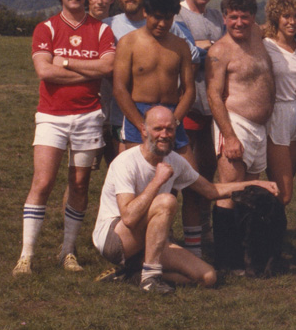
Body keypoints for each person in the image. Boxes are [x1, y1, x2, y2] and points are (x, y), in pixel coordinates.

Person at [92, 106, 279, 293]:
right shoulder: (126, 162)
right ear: (144, 130)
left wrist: (254, 184)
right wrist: (157, 181)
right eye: (158, 129)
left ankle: (131, 273)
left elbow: (211, 190)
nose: (164, 134)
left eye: (169, 129)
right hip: (115, 240)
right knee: (166, 201)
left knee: (208, 277)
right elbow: (129, 218)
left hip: (148, 239)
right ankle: (150, 278)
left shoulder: (175, 160)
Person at [14, 0, 116, 275]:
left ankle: (67, 251)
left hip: (89, 117)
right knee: (43, 182)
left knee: (80, 184)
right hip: (51, 116)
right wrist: (88, 73)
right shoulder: (45, 28)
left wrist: (67, 63)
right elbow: (44, 71)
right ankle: (26, 255)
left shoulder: (101, 30)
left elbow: (107, 67)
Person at [206, 0, 275, 270]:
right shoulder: (219, 51)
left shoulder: (258, 35)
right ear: (224, 17)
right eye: (233, 17)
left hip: (259, 127)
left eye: (244, 17)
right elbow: (213, 95)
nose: (238, 23)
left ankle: (248, 255)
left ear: (253, 17)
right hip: (235, 124)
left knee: (250, 192)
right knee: (230, 191)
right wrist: (230, 136)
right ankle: (225, 259)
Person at [105, 0, 199, 150]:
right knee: (140, 167)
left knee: (186, 168)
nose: (162, 24)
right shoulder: (128, 43)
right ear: (145, 12)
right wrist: (140, 124)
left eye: (168, 18)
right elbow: (120, 89)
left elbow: (189, 90)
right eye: (157, 17)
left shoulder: (180, 46)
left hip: (171, 113)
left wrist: (174, 121)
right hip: (138, 113)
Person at [175, 0, 226, 236]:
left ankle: (202, 229)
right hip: (188, 104)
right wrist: (213, 48)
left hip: (214, 106)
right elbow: (189, 53)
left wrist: (208, 46)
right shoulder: (178, 15)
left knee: (207, 169)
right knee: (181, 171)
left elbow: (229, 47)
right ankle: (176, 231)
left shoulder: (217, 16)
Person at [262, 0, 296, 206]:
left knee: (282, 191)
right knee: (285, 192)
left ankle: (270, 224)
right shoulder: (265, 45)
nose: (292, 21)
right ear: (276, 17)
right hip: (276, 115)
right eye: (286, 16)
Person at [88, 0, 118, 166]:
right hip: (89, 110)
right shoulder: (81, 29)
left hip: (116, 110)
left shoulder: (119, 27)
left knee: (118, 167)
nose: (99, 1)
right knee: (82, 173)